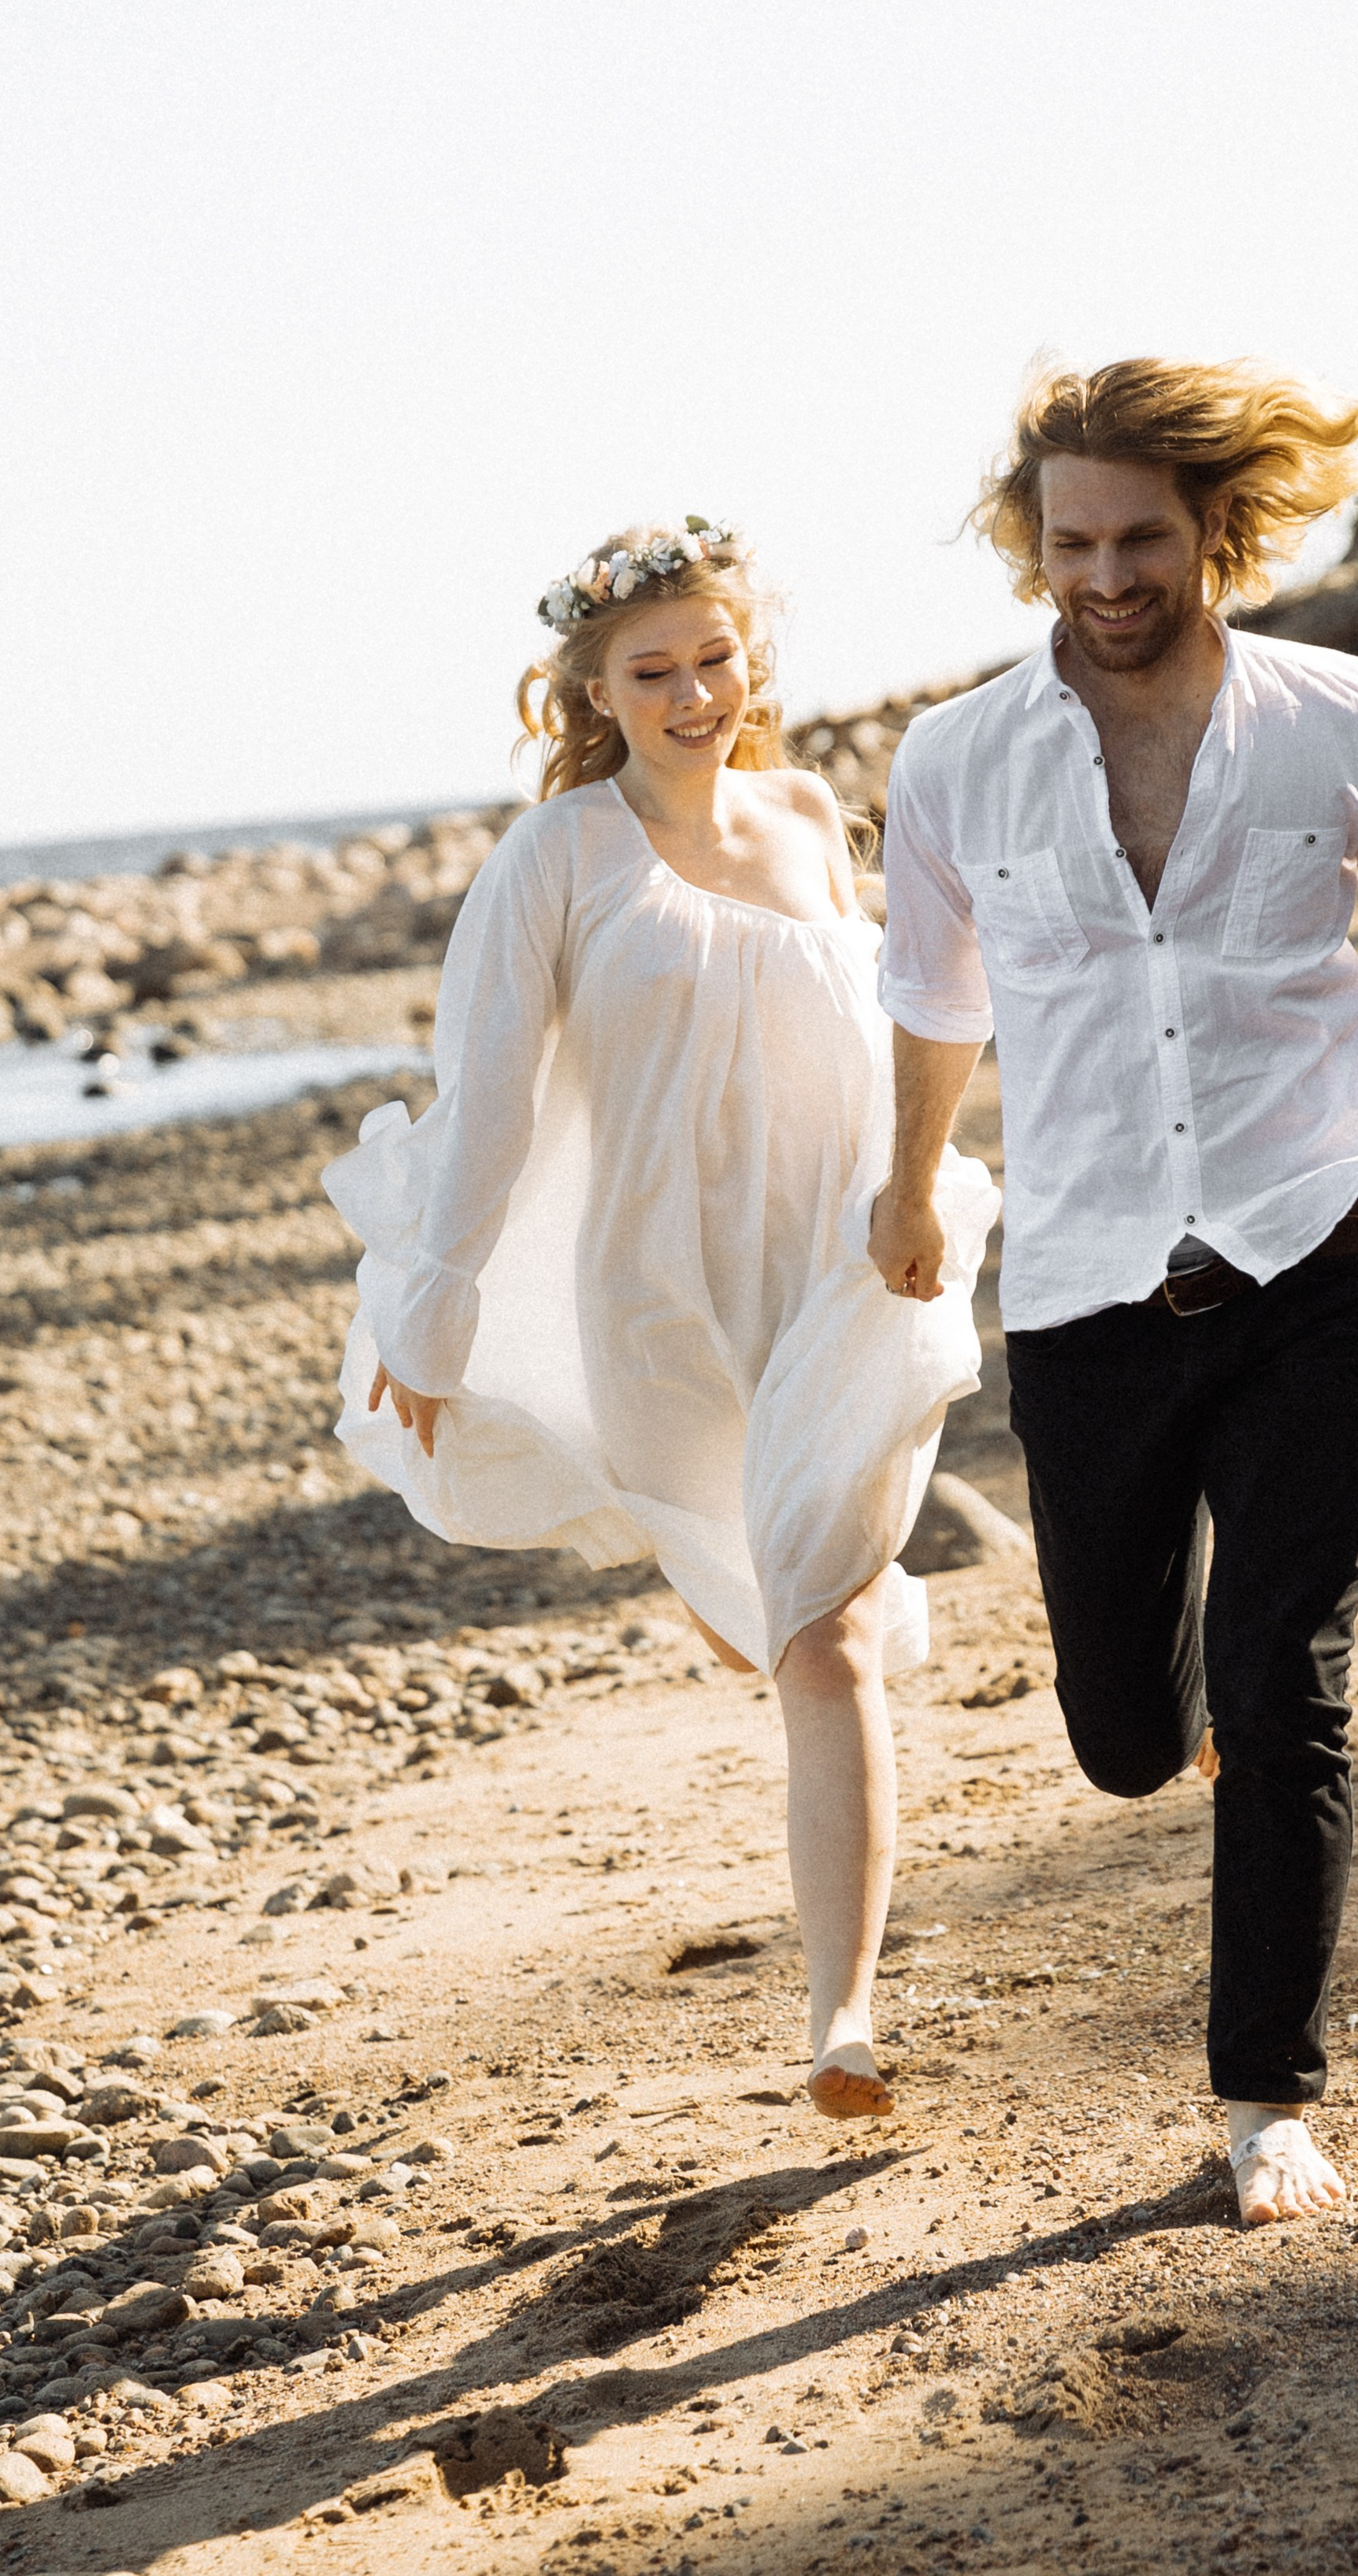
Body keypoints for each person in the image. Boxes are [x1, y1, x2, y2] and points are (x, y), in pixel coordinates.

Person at [867, 361, 1358, 2225]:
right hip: (1091, 1275)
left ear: (1214, 529)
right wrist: (903, 1185)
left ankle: (1262, 2096)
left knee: (1292, 1692)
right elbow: (933, 991)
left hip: (1309, 1248)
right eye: (1068, 543)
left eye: (1135, 537)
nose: (1102, 575)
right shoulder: (959, 757)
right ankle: (1172, 1675)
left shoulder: (1337, 719)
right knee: (1127, 1734)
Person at [325, 521, 999, 2118]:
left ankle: (840, 2014)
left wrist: (916, 1181)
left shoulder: (814, 816)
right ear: (589, 686)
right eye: (652, 669)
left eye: (715, 657)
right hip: (651, 1300)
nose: (694, 691)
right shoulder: (553, 858)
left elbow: (905, 1012)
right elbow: (484, 1106)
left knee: (820, 1637)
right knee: (751, 1597)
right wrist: (427, 1318)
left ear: (749, 658)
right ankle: (771, 1594)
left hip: (845, 1266)